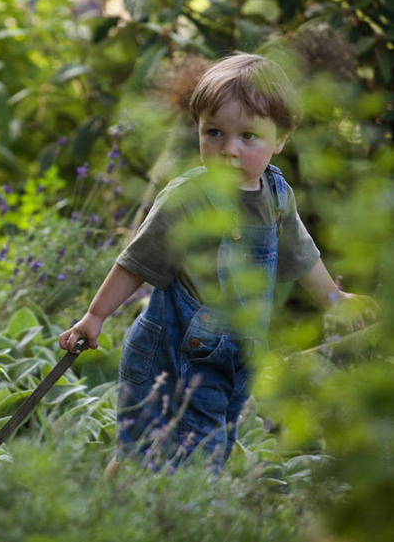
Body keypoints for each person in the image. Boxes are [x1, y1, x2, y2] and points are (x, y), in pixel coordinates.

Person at [59, 52, 376, 472]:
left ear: (280, 138)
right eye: (214, 133)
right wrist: (95, 316)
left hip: (235, 355)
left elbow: (301, 256)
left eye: (248, 137)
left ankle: (131, 503)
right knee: (176, 452)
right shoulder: (186, 198)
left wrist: (334, 298)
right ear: (198, 130)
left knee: (212, 440)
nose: (228, 149)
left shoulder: (277, 196)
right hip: (170, 356)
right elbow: (136, 262)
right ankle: (144, 513)